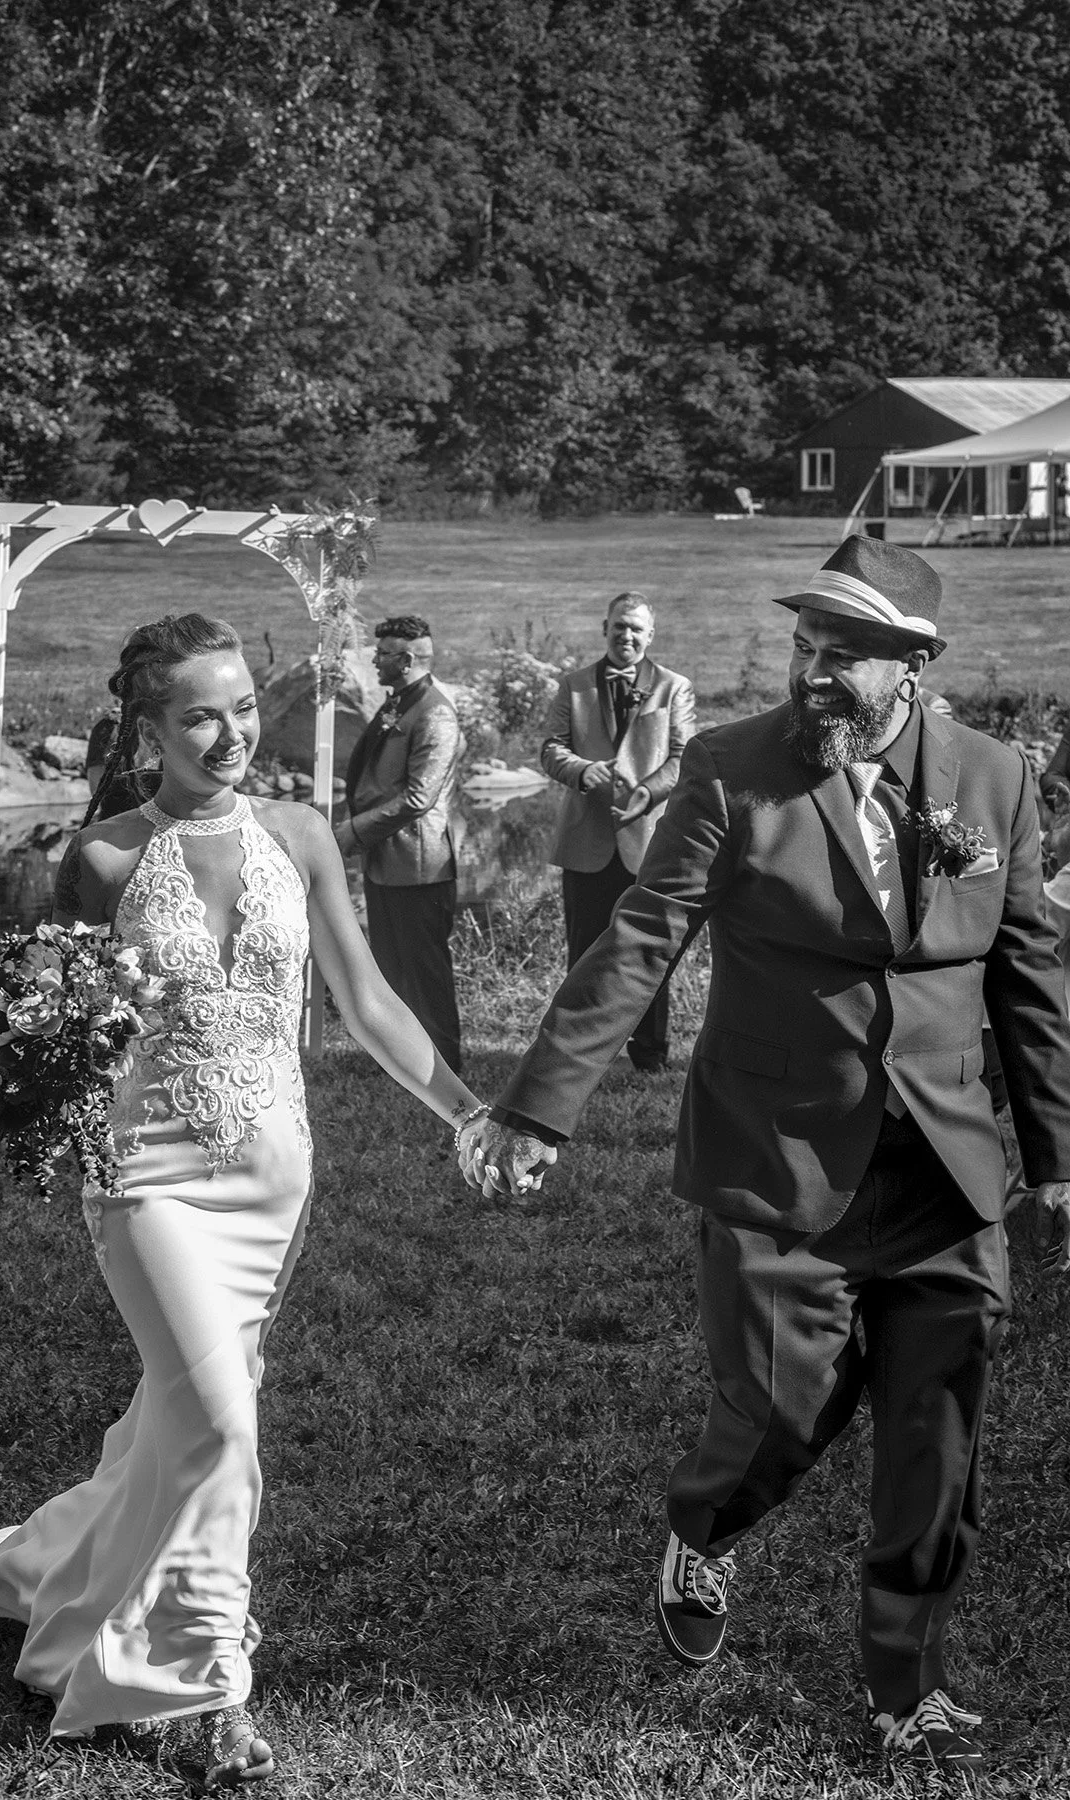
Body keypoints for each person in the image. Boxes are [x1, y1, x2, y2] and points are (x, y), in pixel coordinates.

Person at [459, 536, 1070, 1772]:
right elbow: (644, 937)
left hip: (946, 1166)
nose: (815, 672)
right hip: (781, 1153)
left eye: (843, 652)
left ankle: (908, 1685)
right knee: (789, 1407)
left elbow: (1032, 968)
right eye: (804, 646)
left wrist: (1054, 1154)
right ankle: (706, 1522)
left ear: (913, 665)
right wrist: (536, 1107)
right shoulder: (734, 770)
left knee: (936, 1426)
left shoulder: (997, 777)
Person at [0, 613, 483, 1787]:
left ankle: (50, 1570)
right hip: (148, 1180)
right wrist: (38, 1083)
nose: (234, 731)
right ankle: (205, 1687)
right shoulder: (101, 859)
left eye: (244, 707)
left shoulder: (300, 833)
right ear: (150, 728)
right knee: (226, 1425)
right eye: (203, 713)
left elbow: (370, 1001)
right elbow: (52, 1032)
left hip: (271, 1179)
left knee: (186, 1421)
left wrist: (467, 1111)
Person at [541, 591, 695, 1072]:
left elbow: (683, 757)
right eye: (618, 626)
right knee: (584, 951)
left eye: (636, 629)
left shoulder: (673, 688)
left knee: (646, 953)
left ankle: (649, 1054)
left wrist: (646, 794)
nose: (626, 635)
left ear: (650, 635)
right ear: (603, 628)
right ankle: (581, 1053)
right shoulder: (574, 685)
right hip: (586, 842)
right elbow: (550, 748)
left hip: (646, 843)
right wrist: (583, 772)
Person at [334, 614, 464, 1073]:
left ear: (406, 659)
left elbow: (419, 797)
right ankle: (403, 1061)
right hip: (387, 861)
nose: (374, 658)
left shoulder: (435, 713)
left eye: (382, 653)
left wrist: (353, 831)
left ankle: (445, 1066)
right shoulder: (400, 704)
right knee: (391, 968)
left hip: (420, 866)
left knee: (426, 975)